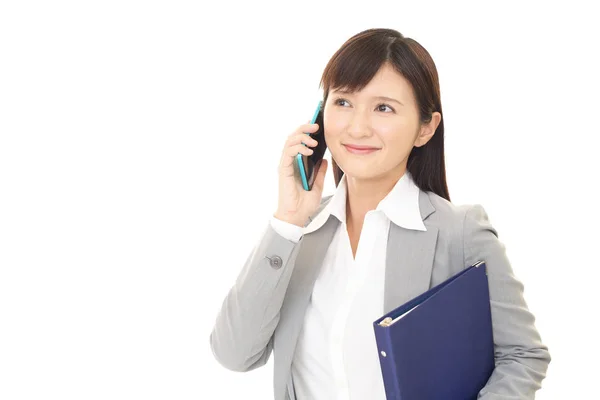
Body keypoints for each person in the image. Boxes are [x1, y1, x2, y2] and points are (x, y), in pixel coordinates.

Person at [209, 28, 551, 400]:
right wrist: (287, 222)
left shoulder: (460, 232)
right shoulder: (300, 235)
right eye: (343, 102)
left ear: (425, 128)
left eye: (383, 107)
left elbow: (523, 355)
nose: (357, 126)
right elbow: (234, 354)